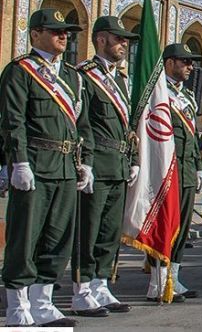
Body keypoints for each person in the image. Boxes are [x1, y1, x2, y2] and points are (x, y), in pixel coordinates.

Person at [1, 9, 91, 327]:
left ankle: (42, 302)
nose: (63, 36)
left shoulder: (72, 77)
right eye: (55, 31)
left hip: (66, 167)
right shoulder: (20, 71)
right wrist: (19, 162)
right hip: (36, 165)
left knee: (57, 238)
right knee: (26, 236)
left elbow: (81, 126)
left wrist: (85, 164)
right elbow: (14, 122)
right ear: (35, 34)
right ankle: (17, 306)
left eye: (65, 31)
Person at [70, 16, 138, 315]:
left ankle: (100, 283)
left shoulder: (122, 80)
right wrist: (85, 163)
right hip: (97, 162)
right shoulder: (84, 75)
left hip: (119, 164)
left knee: (110, 231)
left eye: (125, 40)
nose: (124, 44)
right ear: (101, 39)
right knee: (89, 229)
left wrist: (133, 160)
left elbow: (129, 125)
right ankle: (81, 288)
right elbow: (80, 122)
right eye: (118, 38)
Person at [147, 43, 202, 302]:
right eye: (185, 62)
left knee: (181, 225)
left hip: (187, 168)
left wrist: (198, 167)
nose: (190, 67)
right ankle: (157, 282)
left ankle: (174, 276)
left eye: (191, 63)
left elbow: (192, 137)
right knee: (163, 223)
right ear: (169, 63)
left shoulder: (189, 98)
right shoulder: (157, 92)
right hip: (165, 167)